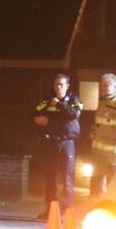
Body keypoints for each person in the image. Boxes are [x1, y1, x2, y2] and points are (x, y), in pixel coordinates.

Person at [34, 73, 82, 217]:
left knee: (67, 178)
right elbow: (35, 112)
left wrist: (59, 105)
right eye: (56, 84)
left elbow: (74, 114)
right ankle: (50, 210)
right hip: (52, 142)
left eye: (61, 84)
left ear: (67, 86)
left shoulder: (73, 99)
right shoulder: (48, 99)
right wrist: (39, 119)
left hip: (67, 142)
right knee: (51, 177)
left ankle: (66, 210)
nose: (58, 87)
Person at [89, 73, 116, 201]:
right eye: (101, 86)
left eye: (106, 85)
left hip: (113, 156)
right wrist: (93, 131)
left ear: (115, 86)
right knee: (96, 187)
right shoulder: (102, 103)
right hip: (98, 154)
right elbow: (99, 123)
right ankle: (94, 208)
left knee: (113, 189)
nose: (103, 88)